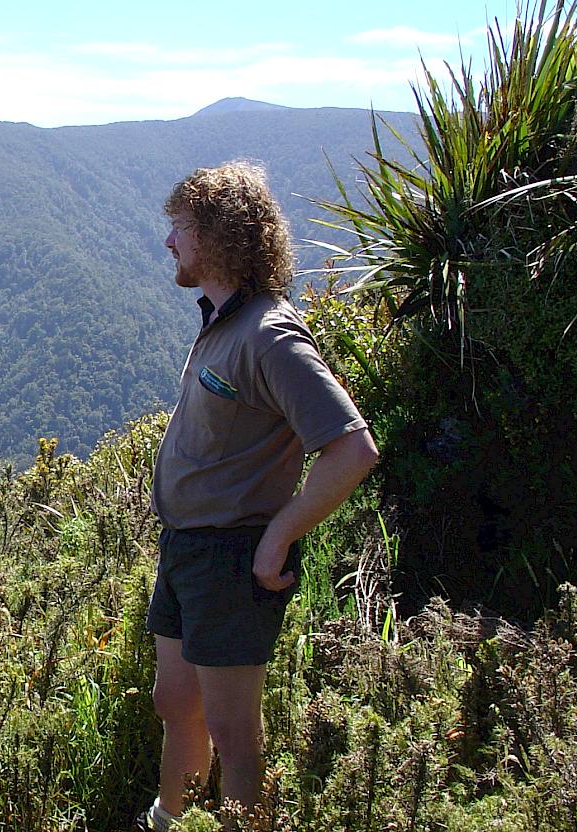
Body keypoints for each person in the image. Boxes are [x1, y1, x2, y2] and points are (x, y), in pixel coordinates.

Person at [136, 163, 378, 830]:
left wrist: (279, 534)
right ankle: (169, 817)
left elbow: (352, 449)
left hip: (231, 555)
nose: (169, 243)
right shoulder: (223, 321)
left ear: (214, 236)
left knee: (234, 731)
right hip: (187, 548)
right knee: (173, 700)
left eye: (178, 228)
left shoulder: (271, 334)